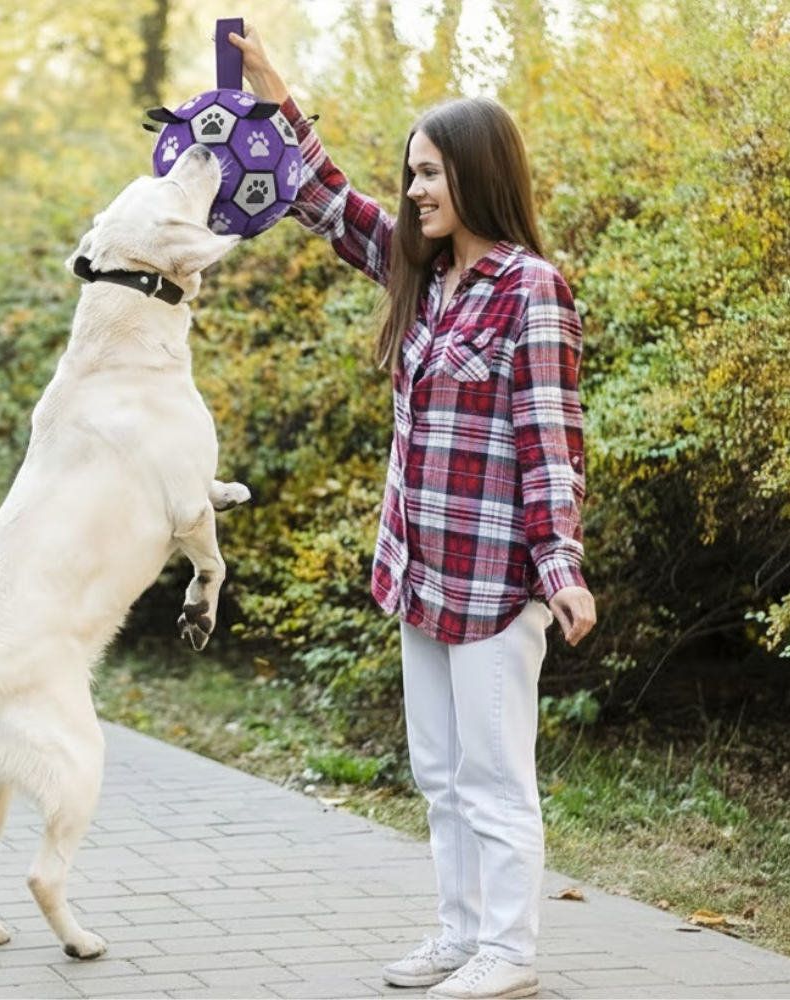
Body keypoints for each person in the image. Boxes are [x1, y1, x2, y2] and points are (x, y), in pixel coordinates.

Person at [229, 24, 597, 1000]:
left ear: (478, 174)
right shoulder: (423, 281)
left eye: (431, 174)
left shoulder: (530, 291)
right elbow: (323, 199)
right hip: (419, 573)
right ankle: (460, 934)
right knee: (437, 774)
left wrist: (558, 570)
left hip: (491, 584)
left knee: (493, 779)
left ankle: (511, 954)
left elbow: (550, 442)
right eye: (411, 176)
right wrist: (272, 93)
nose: (417, 191)